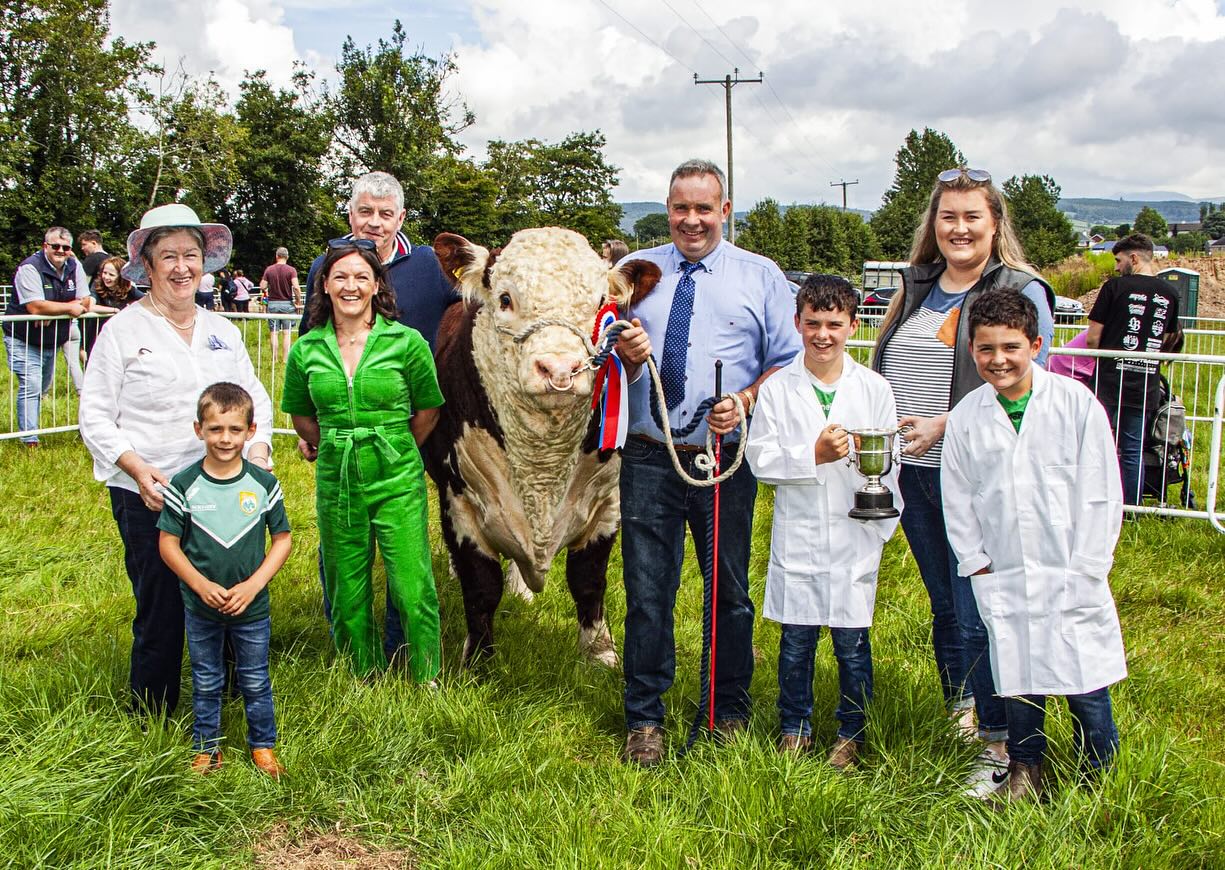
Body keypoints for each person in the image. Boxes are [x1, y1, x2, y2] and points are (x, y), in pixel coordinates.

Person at [871, 167, 1056, 797]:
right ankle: (962, 714)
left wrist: (942, 425)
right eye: (948, 216)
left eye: (972, 216)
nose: (959, 228)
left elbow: (1026, 387)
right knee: (946, 606)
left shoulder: (1020, 289)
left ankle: (1001, 741)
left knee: (981, 609)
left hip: (979, 479)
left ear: (995, 223)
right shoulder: (916, 287)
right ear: (934, 223)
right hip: (914, 475)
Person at [613, 158, 801, 767]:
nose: (690, 220)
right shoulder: (633, 273)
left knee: (729, 591)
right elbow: (599, 355)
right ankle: (645, 720)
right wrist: (627, 352)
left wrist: (745, 400)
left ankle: (724, 712)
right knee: (647, 591)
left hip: (723, 458)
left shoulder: (762, 276)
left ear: (725, 210)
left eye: (703, 208)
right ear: (666, 209)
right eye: (679, 208)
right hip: (648, 454)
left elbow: (788, 360)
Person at [79, 203, 273, 717]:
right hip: (150, 491)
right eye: (169, 256)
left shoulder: (222, 330)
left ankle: (232, 697)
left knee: (229, 594)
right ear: (147, 264)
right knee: (161, 604)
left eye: (191, 254)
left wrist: (257, 450)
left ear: (206, 260)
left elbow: (254, 395)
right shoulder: (123, 331)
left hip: (220, 490)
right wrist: (138, 469)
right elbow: (95, 416)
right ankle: (153, 711)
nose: (182, 267)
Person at [942, 290, 1125, 802]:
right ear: (972, 351)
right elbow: (956, 497)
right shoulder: (967, 417)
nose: (998, 360)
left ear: (1036, 345)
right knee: (1017, 673)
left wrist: (1089, 565)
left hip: (1070, 567)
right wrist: (976, 562)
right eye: (985, 349)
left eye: (1010, 347)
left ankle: (1099, 770)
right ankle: (1026, 767)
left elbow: (1101, 491)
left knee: (1084, 676)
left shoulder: (1075, 405)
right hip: (1004, 569)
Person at [298, 171, 460, 661]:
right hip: (346, 426)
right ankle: (353, 647)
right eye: (365, 212)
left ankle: (402, 644)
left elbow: (471, 311)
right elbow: (311, 339)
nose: (374, 223)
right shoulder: (325, 266)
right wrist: (315, 424)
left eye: (385, 214)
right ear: (350, 215)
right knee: (341, 541)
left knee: (405, 538)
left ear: (401, 219)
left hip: (420, 419)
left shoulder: (431, 266)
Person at [745, 275, 901, 769]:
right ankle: (795, 726)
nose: (822, 335)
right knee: (796, 643)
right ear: (797, 323)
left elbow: (889, 460)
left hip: (854, 533)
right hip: (802, 534)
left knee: (852, 644)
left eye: (834, 324)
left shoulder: (873, 387)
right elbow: (759, 458)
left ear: (854, 325)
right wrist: (811, 453)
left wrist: (878, 524)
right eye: (812, 323)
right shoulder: (779, 389)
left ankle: (851, 732)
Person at [281, 241, 444, 681]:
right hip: (338, 472)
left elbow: (428, 410)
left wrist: (395, 445)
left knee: (411, 582)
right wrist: (335, 441)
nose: (350, 286)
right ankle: (362, 672)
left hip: (396, 470)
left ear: (376, 285)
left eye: (360, 277)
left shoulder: (406, 342)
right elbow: (300, 414)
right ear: (324, 285)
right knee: (346, 580)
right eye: (340, 277)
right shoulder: (306, 349)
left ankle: (426, 674)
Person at [158, 382, 291, 778]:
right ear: (199, 429)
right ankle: (207, 747)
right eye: (215, 429)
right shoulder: (183, 485)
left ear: (251, 432)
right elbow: (168, 545)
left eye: (235, 430)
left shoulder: (263, 485)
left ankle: (263, 746)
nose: (225, 439)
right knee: (206, 678)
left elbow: (282, 540)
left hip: (252, 608)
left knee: (255, 678)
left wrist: (254, 586)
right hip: (201, 608)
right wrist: (199, 585)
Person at [1085, 233, 1182, 506]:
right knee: (1132, 448)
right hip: (1146, 382)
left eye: (1118, 260)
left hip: (1109, 380)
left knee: (1096, 443)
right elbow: (1170, 338)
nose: (1116, 267)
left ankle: (1095, 503)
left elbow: (1092, 338)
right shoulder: (1171, 293)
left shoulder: (1114, 287)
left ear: (1134, 258)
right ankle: (1130, 507)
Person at [4, 227, 91, 445]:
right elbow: (35, 306)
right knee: (31, 384)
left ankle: (30, 429)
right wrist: (68, 308)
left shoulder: (74, 265)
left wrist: (57, 309)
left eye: (66, 247)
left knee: (43, 386)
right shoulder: (29, 268)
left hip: (51, 339)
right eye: (55, 246)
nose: (61, 251)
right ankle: (29, 440)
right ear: (45, 246)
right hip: (22, 338)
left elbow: (86, 300)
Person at [83, 256, 142, 359]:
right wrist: (114, 310)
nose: (106, 277)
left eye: (111, 275)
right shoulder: (96, 286)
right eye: (104, 273)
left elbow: (147, 300)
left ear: (121, 276)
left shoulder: (130, 290)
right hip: (96, 335)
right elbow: (90, 306)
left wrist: (132, 309)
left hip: (120, 337)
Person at [260, 247, 300, 364]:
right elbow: (296, 287)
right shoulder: (291, 270)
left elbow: (263, 286)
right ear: (287, 257)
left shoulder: (269, 270)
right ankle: (285, 359)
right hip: (287, 304)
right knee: (286, 333)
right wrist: (298, 301)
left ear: (277, 256)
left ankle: (274, 359)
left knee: (274, 332)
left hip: (272, 304)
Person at [77, 229, 110, 372]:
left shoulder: (93, 259)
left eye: (84, 245)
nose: (83, 248)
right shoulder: (111, 258)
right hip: (107, 308)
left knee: (84, 346)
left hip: (92, 307)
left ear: (94, 243)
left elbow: (81, 283)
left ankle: (89, 375)